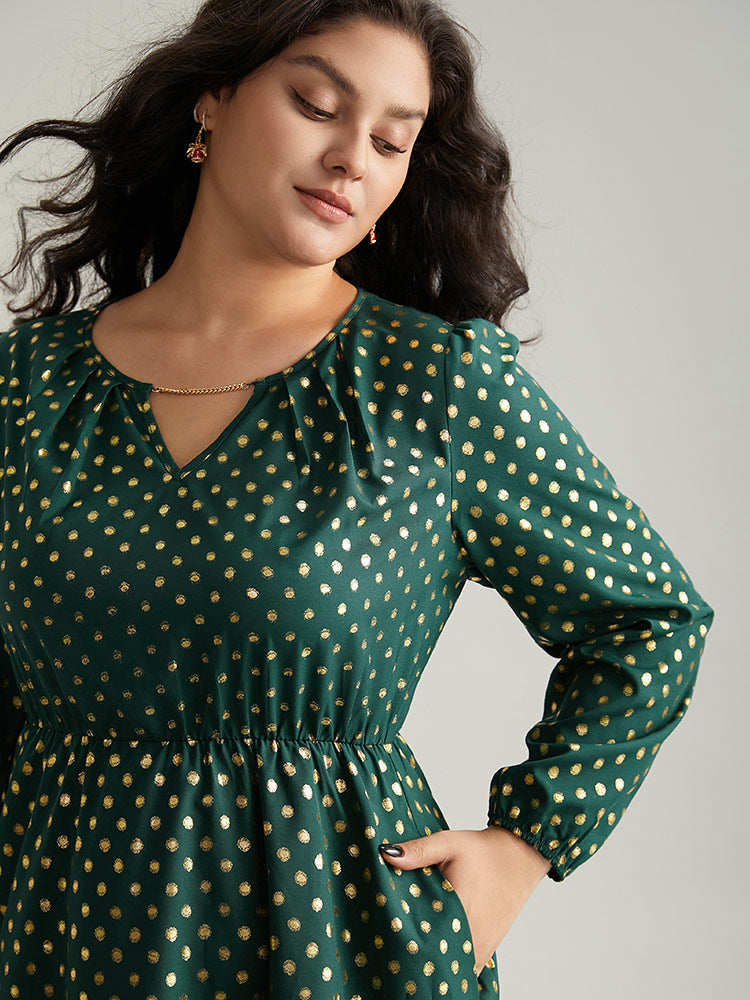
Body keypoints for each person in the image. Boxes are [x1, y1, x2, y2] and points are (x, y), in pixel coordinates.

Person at [0, 0, 714, 996]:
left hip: (340, 943)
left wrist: (524, 846)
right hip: (65, 936)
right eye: (316, 104)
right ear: (212, 100)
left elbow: (652, 618)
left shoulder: (433, 384)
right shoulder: (28, 385)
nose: (350, 159)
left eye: (390, 141)